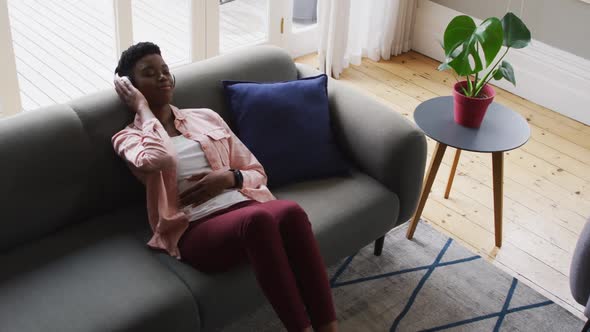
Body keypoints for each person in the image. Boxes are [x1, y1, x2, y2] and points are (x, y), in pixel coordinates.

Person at [111, 42, 338, 332]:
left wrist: (228, 178)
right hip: (194, 228)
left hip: (243, 205)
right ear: (131, 88)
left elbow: (256, 172)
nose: (162, 77)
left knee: (290, 211)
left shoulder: (205, 117)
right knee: (258, 220)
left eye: (165, 70)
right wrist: (143, 111)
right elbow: (160, 157)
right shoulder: (128, 138)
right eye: (149, 73)